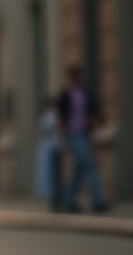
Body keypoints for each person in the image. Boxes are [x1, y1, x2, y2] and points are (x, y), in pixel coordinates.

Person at [57, 66, 109, 213]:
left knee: (79, 169)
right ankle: (98, 200)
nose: (76, 79)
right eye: (74, 77)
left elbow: (94, 108)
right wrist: (61, 137)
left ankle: (68, 201)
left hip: (85, 134)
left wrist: (99, 118)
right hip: (73, 134)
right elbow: (61, 118)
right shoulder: (66, 95)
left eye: (78, 77)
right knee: (90, 164)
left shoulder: (86, 93)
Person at [34, 95, 62, 211]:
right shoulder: (50, 116)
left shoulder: (49, 116)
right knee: (53, 175)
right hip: (52, 147)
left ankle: (55, 200)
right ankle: (54, 200)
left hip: (52, 147)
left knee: (53, 175)